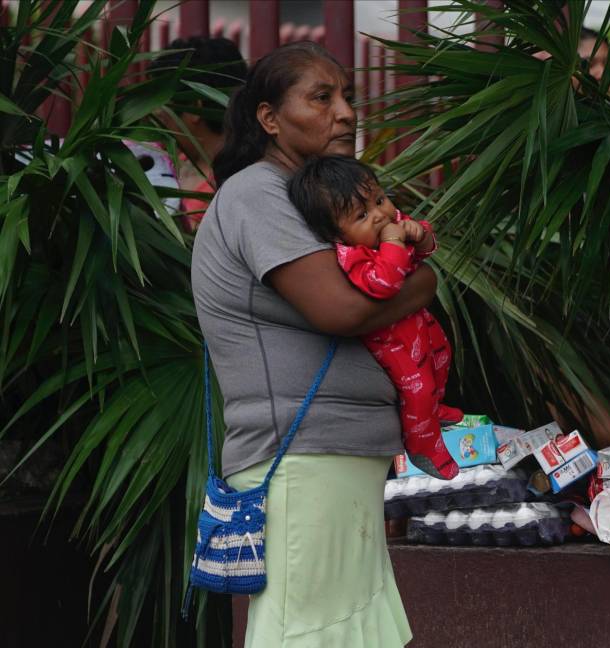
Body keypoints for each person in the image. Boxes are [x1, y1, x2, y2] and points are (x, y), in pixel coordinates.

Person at [192, 42, 420, 647]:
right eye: (322, 98)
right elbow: (341, 309)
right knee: (307, 632)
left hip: (336, 454)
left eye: (347, 96)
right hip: (300, 457)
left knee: (352, 632)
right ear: (269, 119)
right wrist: (426, 278)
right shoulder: (256, 194)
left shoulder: (308, 197)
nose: (344, 112)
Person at [288, 155, 463, 480]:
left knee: (441, 356)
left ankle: (433, 411)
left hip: (418, 324)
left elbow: (424, 250)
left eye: (380, 199)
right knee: (418, 387)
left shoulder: (388, 226)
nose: (381, 215)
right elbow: (384, 283)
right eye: (362, 215)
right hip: (392, 340)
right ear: (336, 234)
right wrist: (396, 242)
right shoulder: (351, 255)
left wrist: (420, 234)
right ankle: (424, 446)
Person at [149, 37, 247, 231]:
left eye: (163, 109)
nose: (157, 119)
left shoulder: (233, 190)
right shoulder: (170, 163)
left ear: (194, 109)